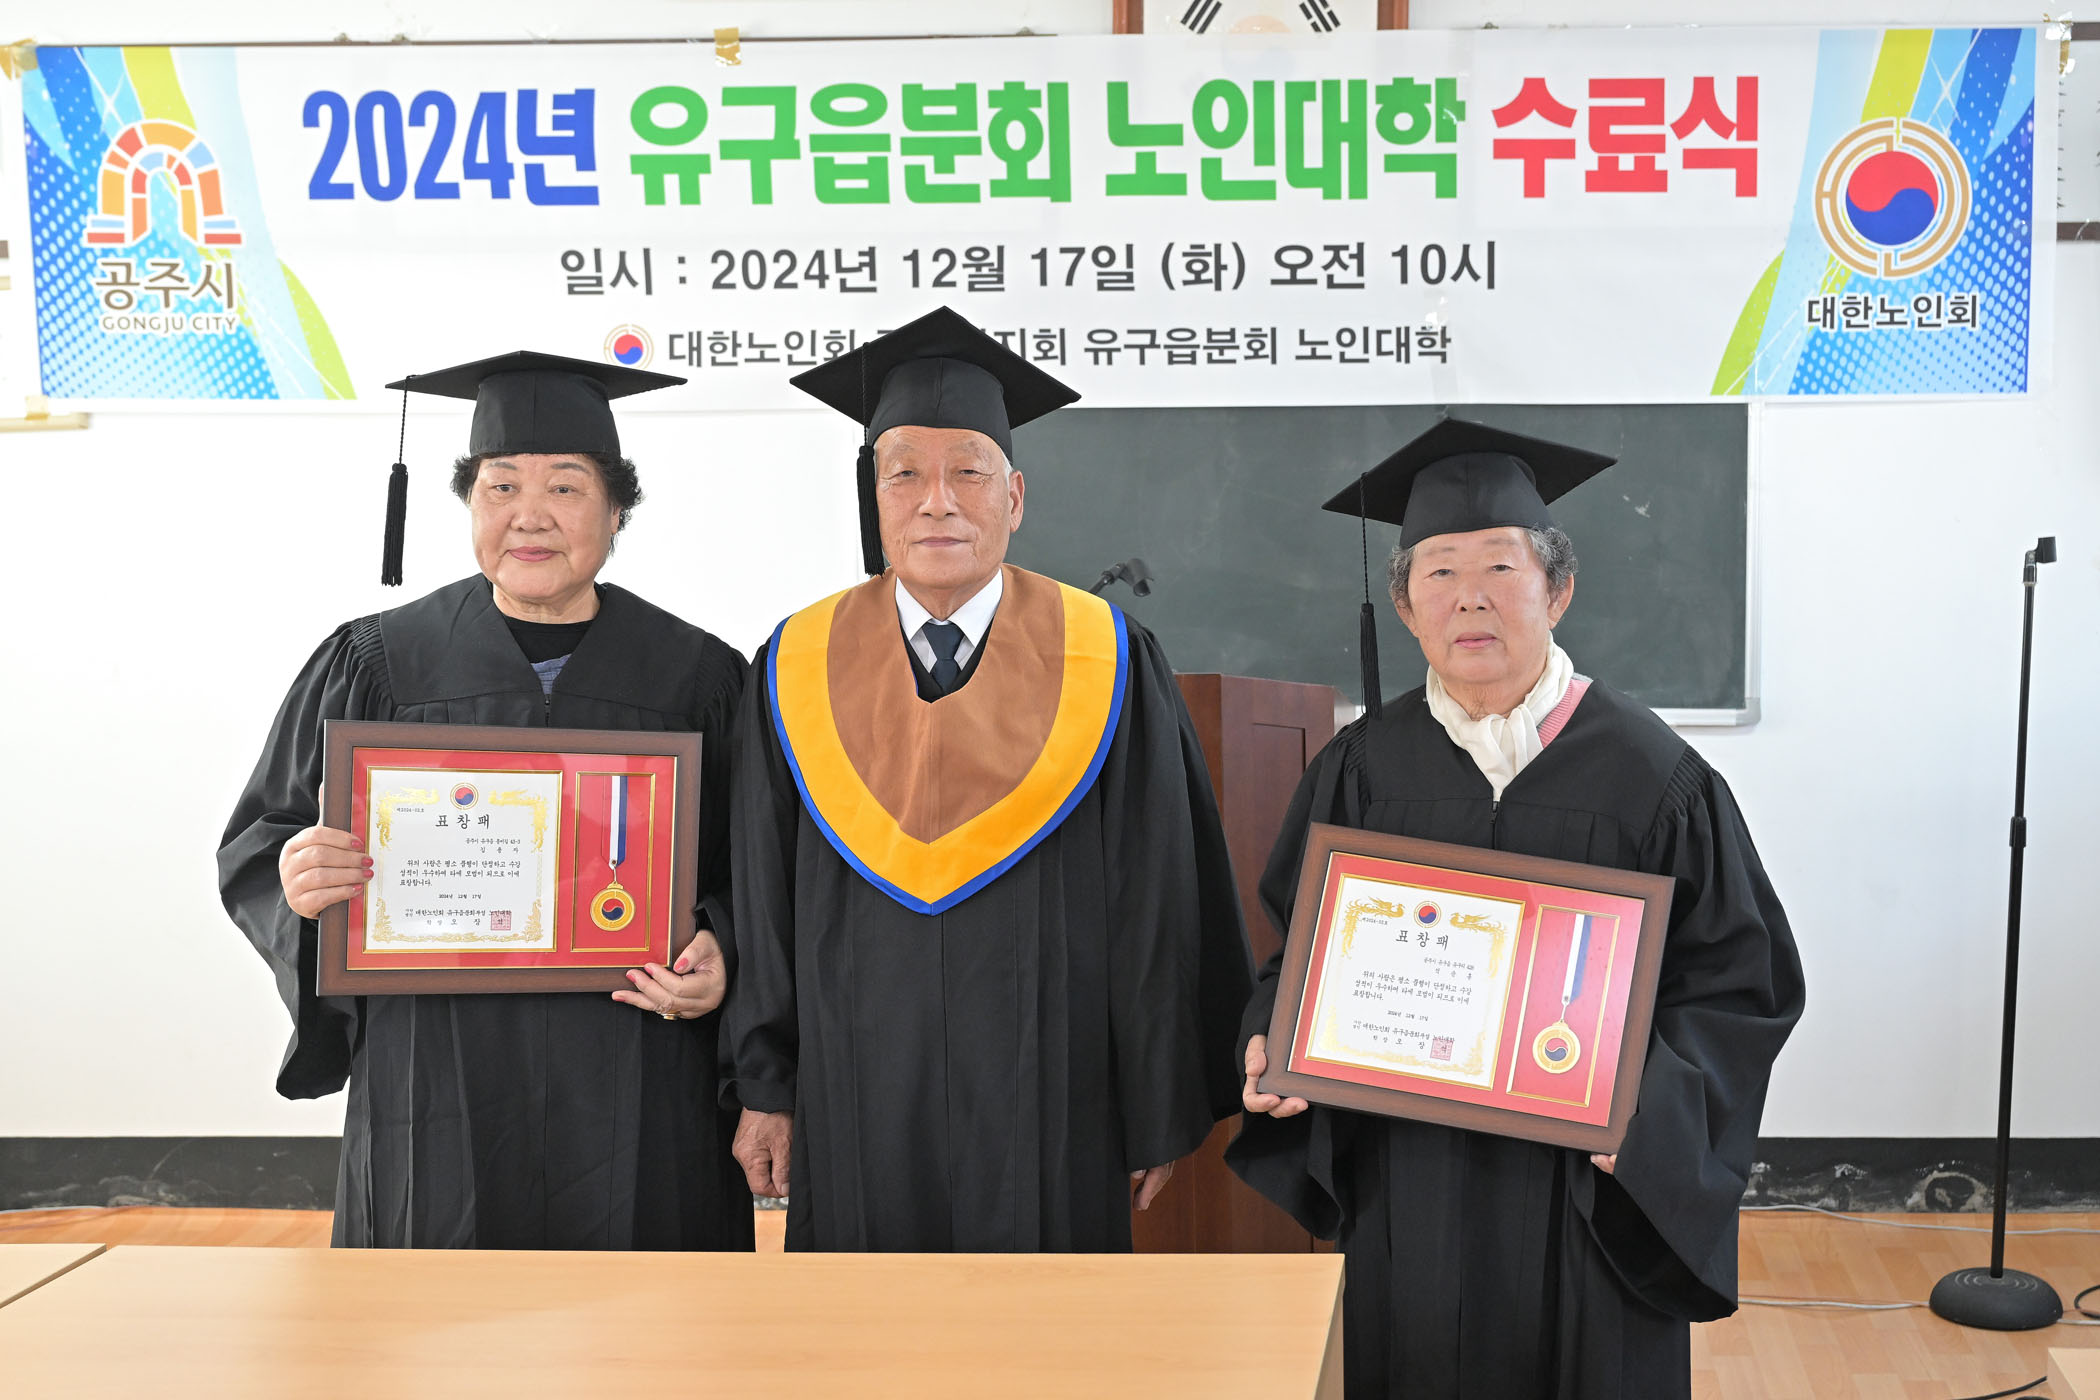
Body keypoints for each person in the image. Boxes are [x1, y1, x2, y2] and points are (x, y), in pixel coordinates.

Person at [1229, 419, 1804, 1398]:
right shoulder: (1361, 770)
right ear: (1405, 605)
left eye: (1501, 566)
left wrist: (1644, 1107)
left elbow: (1738, 986)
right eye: (1441, 573)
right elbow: (1302, 952)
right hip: (1413, 1176)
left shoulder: (1654, 775)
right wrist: (1274, 1035)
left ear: (1558, 588)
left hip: (1584, 1195)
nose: (1471, 597)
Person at [722, 307, 1252, 1251]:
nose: (937, 502)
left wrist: (1152, 1097)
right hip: (853, 1097)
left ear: (1015, 496)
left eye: (968, 472)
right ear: (874, 499)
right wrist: (766, 1085)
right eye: (904, 475)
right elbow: (763, 894)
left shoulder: (1107, 657)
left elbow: (1158, 893)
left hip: (1059, 1099)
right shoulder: (796, 662)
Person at [218, 351, 753, 1251]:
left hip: (639, 1061)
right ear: (469, 503)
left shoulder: (698, 675)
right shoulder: (377, 662)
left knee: (647, 1315)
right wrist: (298, 882)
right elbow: (263, 840)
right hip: (434, 1071)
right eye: (500, 486)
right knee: (432, 1314)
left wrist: (724, 947)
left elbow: (759, 865)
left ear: (617, 512)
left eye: (566, 488)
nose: (528, 515)